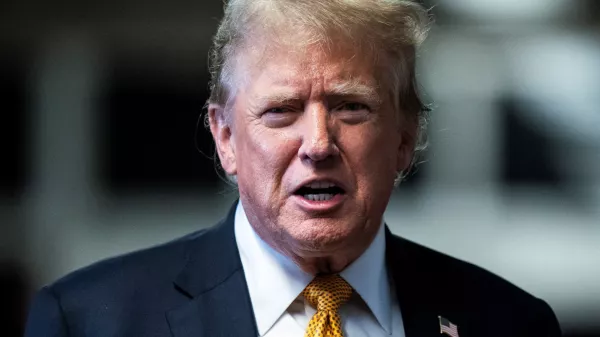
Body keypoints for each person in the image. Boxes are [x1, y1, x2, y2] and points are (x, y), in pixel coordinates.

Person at [25, 0, 562, 336]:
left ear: (405, 136)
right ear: (225, 137)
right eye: (281, 111)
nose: (318, 144)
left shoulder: (513, 324)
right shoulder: (89, 321)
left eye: (352, 106)